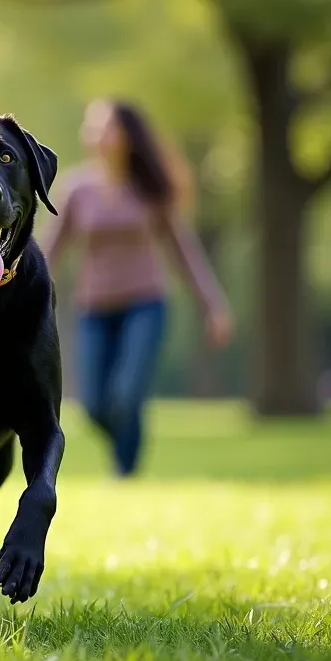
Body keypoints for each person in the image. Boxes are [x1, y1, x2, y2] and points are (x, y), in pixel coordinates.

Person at [42, 99, 233, 477]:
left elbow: (184, 251)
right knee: (94, 405)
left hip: (144, 306)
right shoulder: (76, 189)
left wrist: (213, 305)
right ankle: (128, 448)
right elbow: (49, 250)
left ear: (128, 136)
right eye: (92, 127)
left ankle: (125, 471)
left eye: (107, 127)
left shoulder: (149, 189)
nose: (98, 135)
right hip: (93, 308)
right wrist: (14, 290)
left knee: (126, 395)